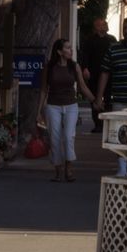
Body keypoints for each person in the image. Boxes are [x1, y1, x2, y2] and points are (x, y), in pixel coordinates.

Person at [38, 38, 94, 182]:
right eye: (68, 48)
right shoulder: (49, 67)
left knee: (69, 136)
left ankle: (69, 169)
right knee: (54, 138)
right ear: (59, 51)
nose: (71, 50)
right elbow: (44, 90)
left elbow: (82, 87)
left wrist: (95, 101)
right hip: (53, 106)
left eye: (71, 48)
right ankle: (57, 169)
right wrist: (39, 111)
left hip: (71, 106)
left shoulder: (74, 66)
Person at [79, 17, 116, 133]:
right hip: (94, 73)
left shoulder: (112, 39)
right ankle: (98, 124)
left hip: (109, 74)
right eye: (102, 24)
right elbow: (84, 55)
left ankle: (108, 122)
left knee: (109, 98)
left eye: (105, 24)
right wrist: (85, 68)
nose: (105, 26)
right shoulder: (89, 40)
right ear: (96, 27)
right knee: (95, 98)